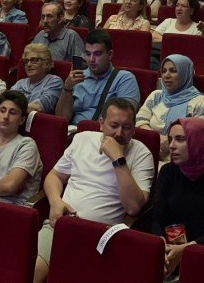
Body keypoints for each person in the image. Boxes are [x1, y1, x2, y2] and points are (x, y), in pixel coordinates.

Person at [34, 98, 154, 283]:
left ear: (134, 128)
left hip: (103, 238)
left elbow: (133, 208)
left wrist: (118, 159)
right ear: (101, 124)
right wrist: (55, 201)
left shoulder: (142, 154)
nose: (119, 133)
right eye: (114, 125)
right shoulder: (82, 139)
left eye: (127, 127)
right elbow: (54, 177)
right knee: (32, 272)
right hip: (63, 224)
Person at [151, 119, 204, 275]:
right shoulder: (168, 172)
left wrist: (186, 249)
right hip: (167, 251)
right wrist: (161, 245)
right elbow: (157, 217)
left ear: (199, 142)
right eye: (171, 139)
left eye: (180, 139)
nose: (171, 145)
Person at [56, 29, 140, 125]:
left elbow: (125, 117)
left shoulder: (124, 79)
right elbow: (61, 119)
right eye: (88, 54)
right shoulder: (76, 78)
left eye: (97, 54)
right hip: (74, 132)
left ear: (110, 55)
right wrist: (67, 88)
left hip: (103, 134)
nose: (91, 59)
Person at [136, 55, 204, 160]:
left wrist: (170, 141)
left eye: (173, 71)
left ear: (185, 74)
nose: (166, 75)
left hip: (182, 162)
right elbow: (139, 121)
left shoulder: (199, 101)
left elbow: (200, 136)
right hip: (148, 154)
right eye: (164, 71)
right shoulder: (156, 96)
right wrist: (156, 139)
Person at [11, 43, 64, 114]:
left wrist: (13, 110)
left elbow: (39, 107)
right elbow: (6, 103)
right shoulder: (20, 83)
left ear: (47, 63)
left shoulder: (54, 81)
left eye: (34, 60)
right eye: (26, 61)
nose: (29, 64)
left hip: (40, 123)